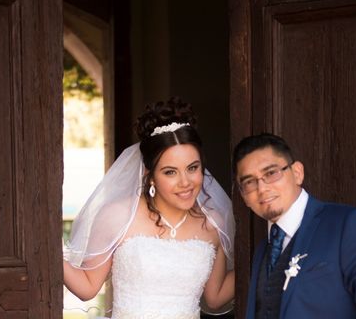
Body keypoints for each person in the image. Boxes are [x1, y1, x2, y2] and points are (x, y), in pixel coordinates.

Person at [64, 97, 235, 319]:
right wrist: (46, 250)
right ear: (150, 174)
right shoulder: (118, 215)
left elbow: (215, 296)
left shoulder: (213, 224)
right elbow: (87, 287)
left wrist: (264, 258)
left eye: (192, 168)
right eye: (170, 172)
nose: (185, 182)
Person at [233, 133, 356, 319]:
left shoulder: (349, 224)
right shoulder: (262, 250)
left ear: (297, 173)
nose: (262, 188)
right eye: (249, 182)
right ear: (243, 196)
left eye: (271, 173)